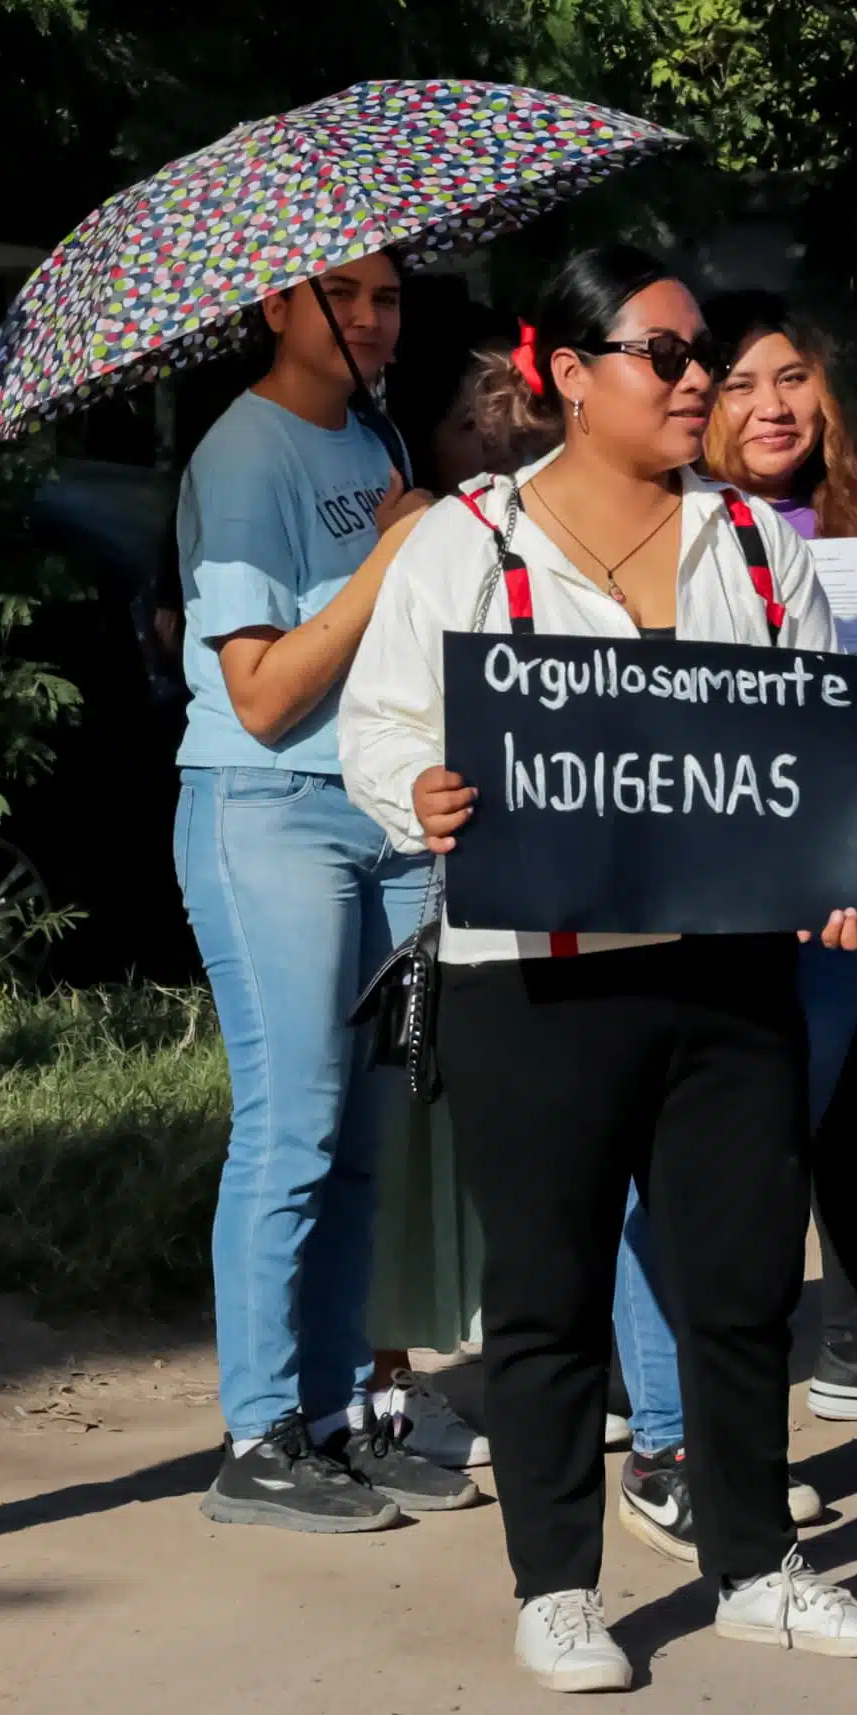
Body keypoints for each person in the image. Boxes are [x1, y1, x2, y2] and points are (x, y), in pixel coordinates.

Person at [341, 245, 857, 1693]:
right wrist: (422, 789)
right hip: (533, 973)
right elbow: (379, 723)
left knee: (735, 1280)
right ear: (572, 376)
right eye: (667, 354)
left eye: (702, 352)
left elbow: (812, 753)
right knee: (550, 1289)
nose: (699, 379)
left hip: (725, 978)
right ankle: (556, 1585)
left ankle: (752, 1560)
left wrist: (851, 869)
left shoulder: (760, 545)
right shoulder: (466, 540)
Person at [607, 298, 857, 1553]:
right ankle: (666, 1437)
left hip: (828, 907)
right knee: (673, 1170)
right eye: (740, 380)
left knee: (754, 1178)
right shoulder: (664, 530)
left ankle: (722, 1436)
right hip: (697, 896)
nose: (770, 404)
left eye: (792, 377)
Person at [172, 248, 481, 1534]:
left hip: (380, 817)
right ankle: (255, 1438)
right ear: (274, 306)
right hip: (268, 813)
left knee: (367, 1142)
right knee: (290, 1128)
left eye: (388, 297)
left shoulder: (372, 437)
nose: (369, 318)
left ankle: (339, 1412)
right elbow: (262, 691)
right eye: (339, 295)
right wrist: (392, 557)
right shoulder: (242, 458)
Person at [360, 322, 566, 1464]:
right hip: (399, 842)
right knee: (397, 1129)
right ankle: (386, 1377)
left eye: (515, 431)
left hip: (503, 878)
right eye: (470, 431)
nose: (494, 449)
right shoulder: (426, 538)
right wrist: (391, 555)